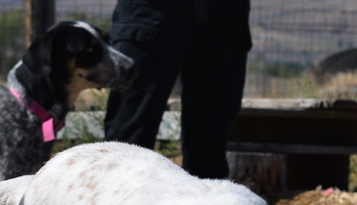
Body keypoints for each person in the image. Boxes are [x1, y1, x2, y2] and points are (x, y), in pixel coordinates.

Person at [104, 0, 251, 180]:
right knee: (127, 147)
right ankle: (117, 204)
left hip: (224, 14)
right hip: (152, 11)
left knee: (210, 148)